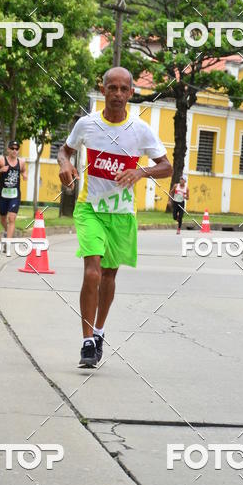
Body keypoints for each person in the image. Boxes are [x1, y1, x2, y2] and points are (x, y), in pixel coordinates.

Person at [58, 67, 172, 368]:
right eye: (113, 88)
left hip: (121, 214)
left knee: (108, 276)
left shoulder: (140, 130)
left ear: (131, 93)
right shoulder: (87, 124)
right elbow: (65, 151)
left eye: (124, 89)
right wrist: (64, 165)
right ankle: (86, 342)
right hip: (90, 209)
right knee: (92, 271)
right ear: (103, 89)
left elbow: (166, 166)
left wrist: (140, 171)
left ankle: (98, 332)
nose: (118, 94)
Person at [0, 140, 27, 246]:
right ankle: (7, 232)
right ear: (8, 149)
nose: (14, 150)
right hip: (3, 195)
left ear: (18, 150)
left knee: (11, 218)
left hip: (15, 195)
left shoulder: (21, 162)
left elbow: (24, 170)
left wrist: (24, 175)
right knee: (2, 219)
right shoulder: (1, 161)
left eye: (16, 149)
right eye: (12, 148)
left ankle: (8, 243)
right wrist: (0, 170)